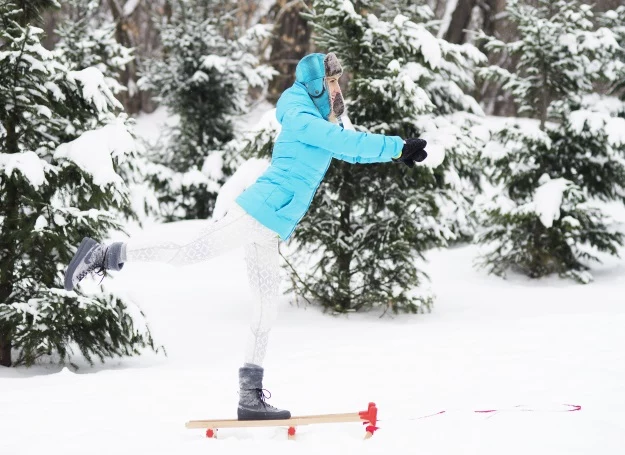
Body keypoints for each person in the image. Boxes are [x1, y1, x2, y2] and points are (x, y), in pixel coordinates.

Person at [64, 52, 428, 421]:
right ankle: (104, 254)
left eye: (338, 82)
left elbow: (351, 149)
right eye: (331, 82)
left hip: (271, 229)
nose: (337, 89)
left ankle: (250, 397)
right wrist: (397, 146)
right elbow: (345, 142)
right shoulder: (301, 114)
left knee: (265, 310)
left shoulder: (322, 121)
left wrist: (398, 155)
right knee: (185, 253)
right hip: (257, 212)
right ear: (317, 84)